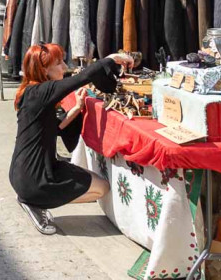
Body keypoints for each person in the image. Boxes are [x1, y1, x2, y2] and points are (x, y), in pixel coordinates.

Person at [10, 44, 133, 235]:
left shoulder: (32, 92)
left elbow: (56, 127)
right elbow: (81, 78)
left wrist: (76, 108)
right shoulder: (41, 92)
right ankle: (35, 202)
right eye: (58, 63)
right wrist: (109, 59)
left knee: (98, 184)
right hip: (34, 178)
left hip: (26, 171)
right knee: (101, 189)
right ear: (44, 70)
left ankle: (32, 199)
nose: (64, 67)